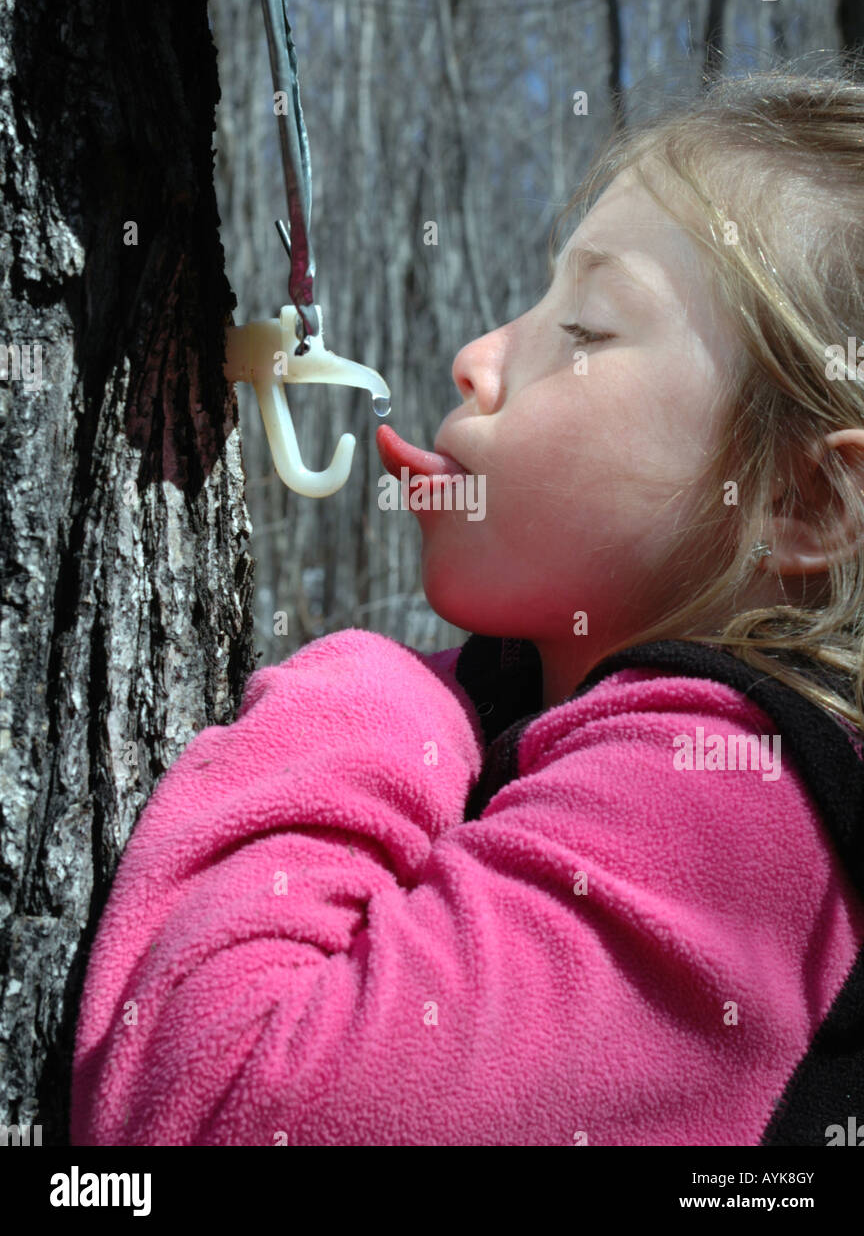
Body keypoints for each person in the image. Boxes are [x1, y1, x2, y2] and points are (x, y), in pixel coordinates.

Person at [71, 67, 864, 1146]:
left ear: (801, 496)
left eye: (584, 329)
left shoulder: (732, 803)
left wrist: (373, 694)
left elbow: (215, 1107)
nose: (476, 360)